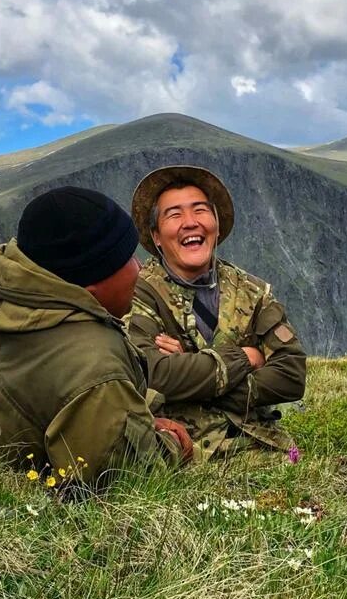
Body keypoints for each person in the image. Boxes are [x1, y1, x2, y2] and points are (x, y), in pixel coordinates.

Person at [0, 186, 192, 483]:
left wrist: (138, 418)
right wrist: (174, 446)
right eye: (126, 258)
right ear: (90, 289)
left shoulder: (28, 295)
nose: (138, 268)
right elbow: (119, 475)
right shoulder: (92, 362)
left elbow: (51, 393)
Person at [126, 165, 306, 460]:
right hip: (180, 455)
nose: (190, 223)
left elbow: (291, 375)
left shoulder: (253, 292)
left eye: (200, 210)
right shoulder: (139, 292)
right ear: (156, 236)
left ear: (217, 226)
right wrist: (247, 358)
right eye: (174, 214)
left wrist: (190, 369)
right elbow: (151, 373)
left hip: (262, 449)